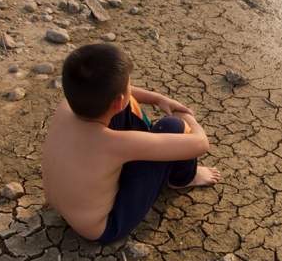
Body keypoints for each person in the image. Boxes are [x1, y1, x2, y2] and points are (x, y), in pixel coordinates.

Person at [41, 43, 220, 243]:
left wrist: (158, 99)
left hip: (65, 206)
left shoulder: (67, 106)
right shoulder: (115, 144)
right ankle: (184, 178)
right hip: (105, 226)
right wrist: (187, 117)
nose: (130, 88)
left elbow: (118, 94)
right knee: (173, 126)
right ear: (118, 99)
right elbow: (200, 143)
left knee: (123, 104)